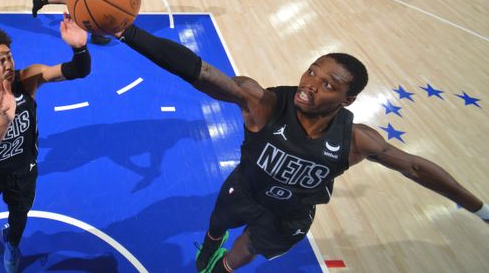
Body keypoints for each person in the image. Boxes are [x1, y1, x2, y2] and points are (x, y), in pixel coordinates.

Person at [112, 24, 489, 273]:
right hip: (244, 189)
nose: (310, 84)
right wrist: (126, 31)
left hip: (289, 216)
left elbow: (415, 168)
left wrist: (480, 208)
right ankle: (209, 248)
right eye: (311, 71)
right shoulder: (264, 104)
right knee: (215, 229)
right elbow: (202, 73)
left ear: (348, 99)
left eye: (328, 84)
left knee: (237, 260)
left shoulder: (357, 138)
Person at [0, 16, 90, 273]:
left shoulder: (28, 79)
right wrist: (5, 117)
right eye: (0, 61)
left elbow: (77, 71)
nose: (9, 64)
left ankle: (11, 244)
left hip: (24, 169)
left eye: (9, 57)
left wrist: (79, 49)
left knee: (19, 217)